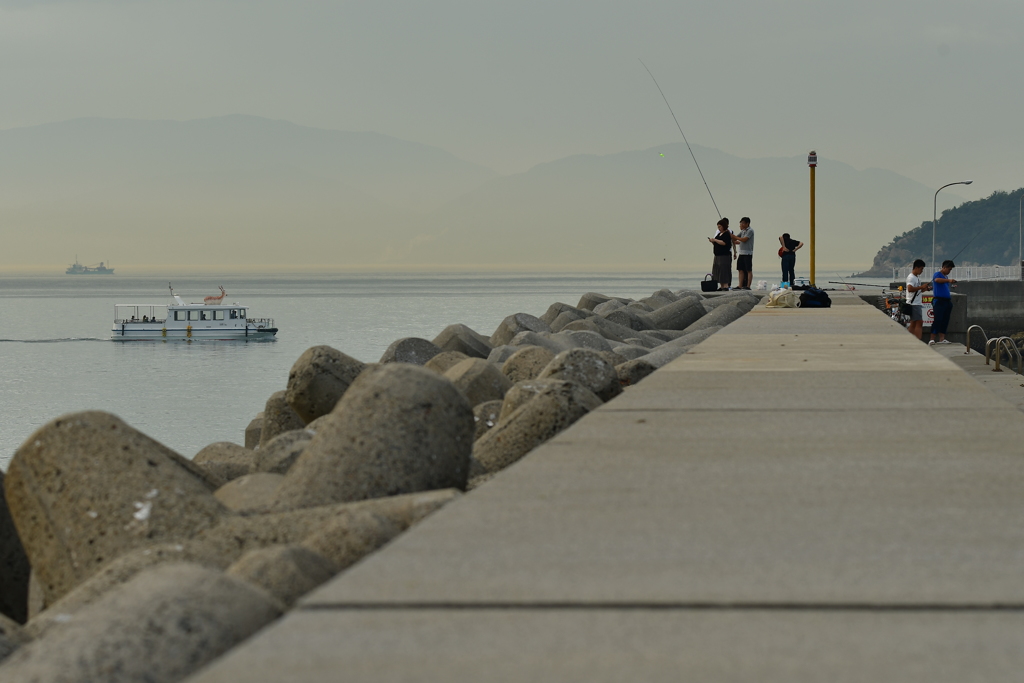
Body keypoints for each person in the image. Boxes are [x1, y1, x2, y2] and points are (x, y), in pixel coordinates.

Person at [929, 259, 957, 345]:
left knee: (945, 320)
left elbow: (941, 286)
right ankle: (932, 339)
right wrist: (949, 281)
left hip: (947, 301)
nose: (949, 271)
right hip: (939, 301)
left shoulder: (946, 277)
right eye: (949, 269)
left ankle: (942, 338)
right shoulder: (937, 274)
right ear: (944, 267)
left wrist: (951, 284)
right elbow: (937, 280)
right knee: (938, 319)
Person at [905, 259, 931, 340]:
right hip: (914, 304)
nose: (922, 271)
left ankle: (910, 339)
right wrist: (921, 287)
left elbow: (917, 290)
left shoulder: (916, 278)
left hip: (916, 302)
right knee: (919, 322)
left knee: (913, 323)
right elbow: (910, 289)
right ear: (916, 268)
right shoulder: (911, 277)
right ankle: (918, 340)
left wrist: (925, 289)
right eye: (921, 269)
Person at [708, 218, 733, 291]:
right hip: (717, 255)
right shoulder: (719, 234)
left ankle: (725, 285)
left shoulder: (727, 234)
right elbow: (717, 242)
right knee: (718, 270)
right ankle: (721, 285)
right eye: (718, 227)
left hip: (724, 255)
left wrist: (715, 240)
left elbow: (724, 243)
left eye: (720, 227)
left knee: (724, 270)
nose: (719, 228)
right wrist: (713, 241)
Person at [733, 217, 754, 290]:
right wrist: (731, 236)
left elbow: (744, 239)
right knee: (740, 269)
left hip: (748, 253)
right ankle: (740, 285)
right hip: (741, 253)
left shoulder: (750, 231)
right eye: (741, 223)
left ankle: (748, 286)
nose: (741, 225)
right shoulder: (742, 231)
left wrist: (734, 237)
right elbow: (736, 238)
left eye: (743, 223)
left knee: (748, 270)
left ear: (747, 224)